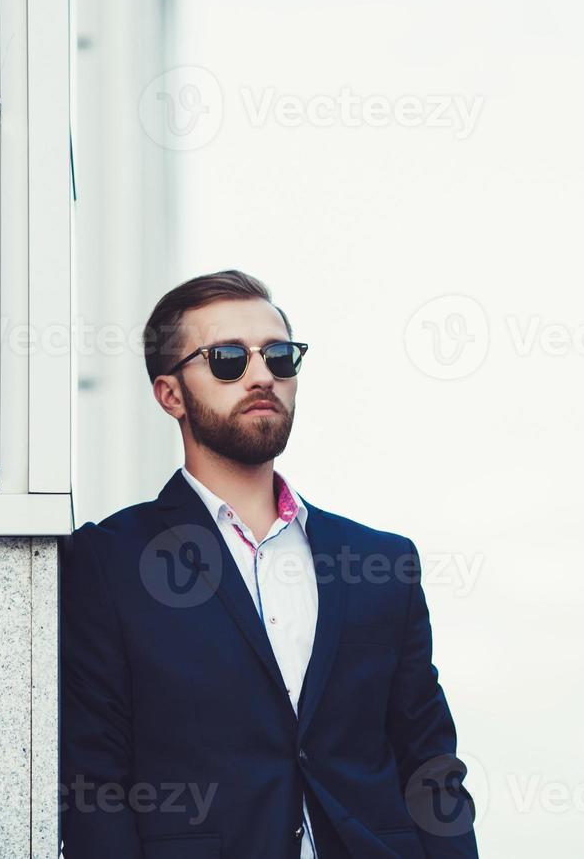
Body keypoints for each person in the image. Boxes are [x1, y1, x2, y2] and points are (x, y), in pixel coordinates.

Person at [61, 269, 477, 858]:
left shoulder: (381, 563)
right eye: (228, 358)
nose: (262, 375)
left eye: (279, 357)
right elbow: (94, 780)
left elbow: (429, 763)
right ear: (170, 394)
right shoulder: (108, 561)